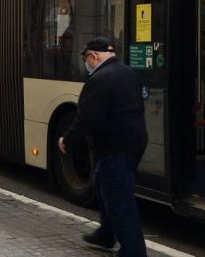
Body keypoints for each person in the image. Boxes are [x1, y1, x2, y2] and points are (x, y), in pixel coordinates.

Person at [58, 37, 148, 257]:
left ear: (94, 56)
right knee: (101, 183)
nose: (87, 64)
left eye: (87, 59)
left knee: (118, 198)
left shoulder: (99, 79)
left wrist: (67, 140)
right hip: (134, 141)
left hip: (114, 146)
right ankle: (106, 234)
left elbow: (85, 117)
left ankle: (133, 251)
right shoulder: (128, 72)